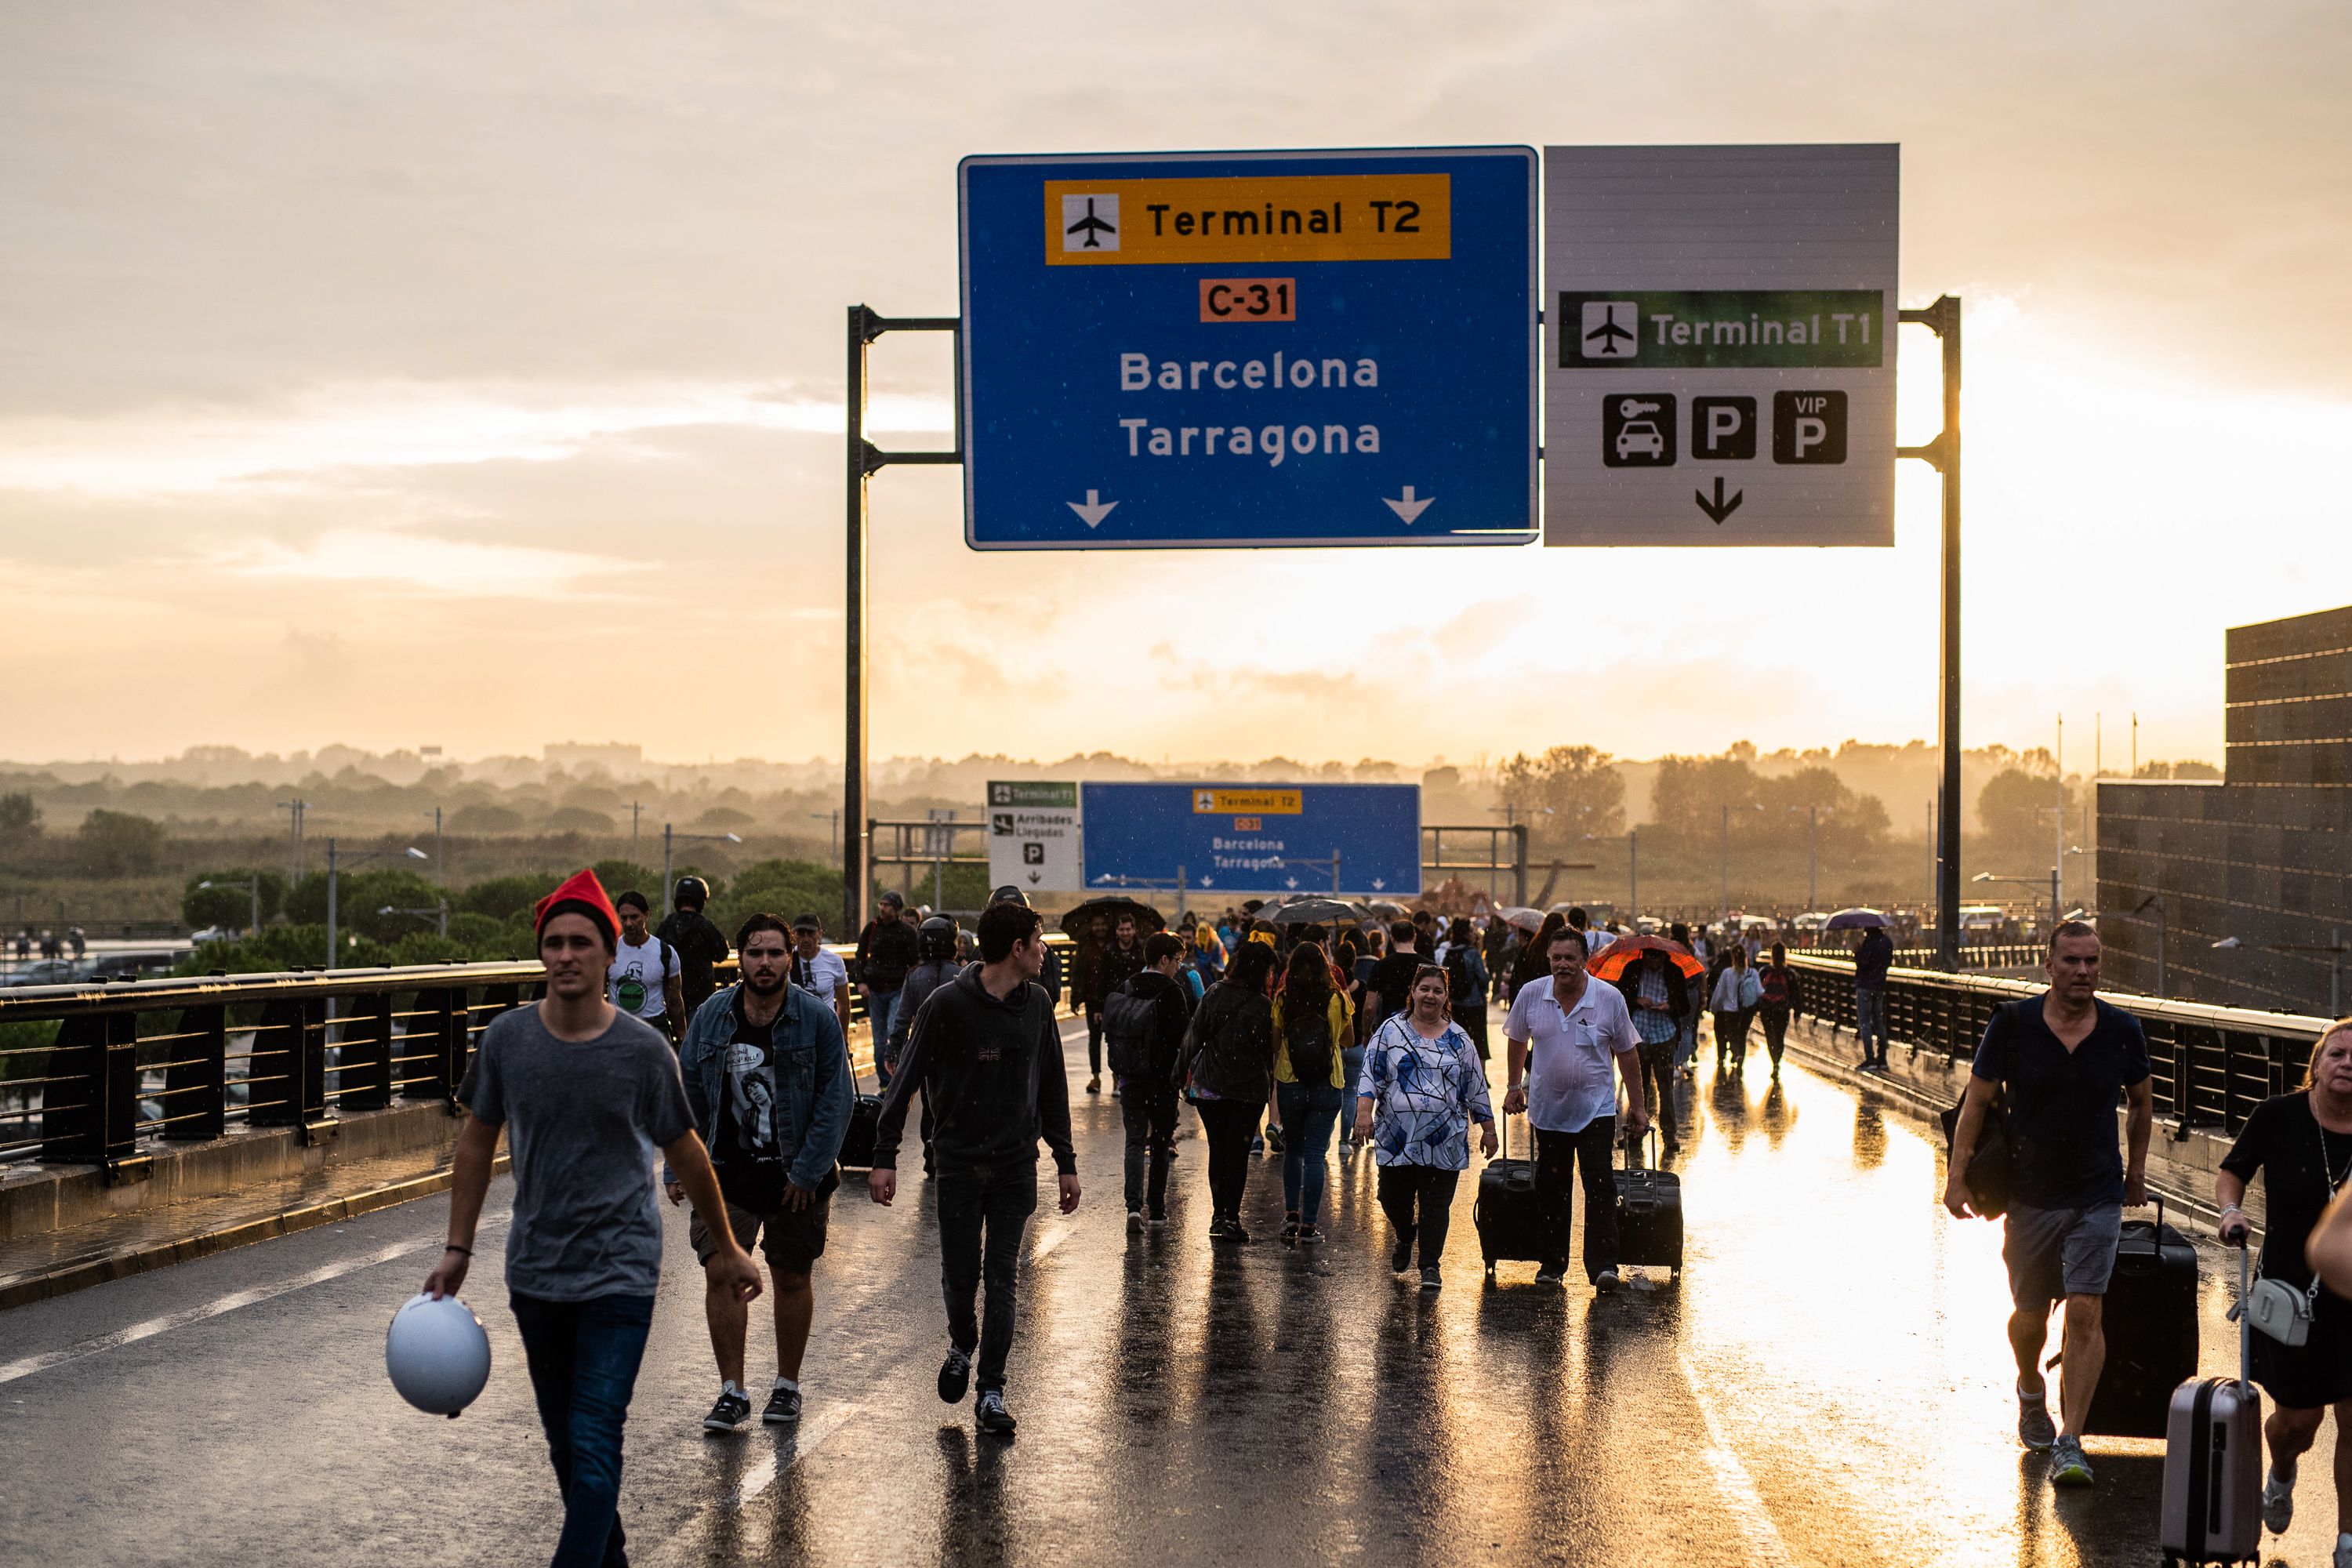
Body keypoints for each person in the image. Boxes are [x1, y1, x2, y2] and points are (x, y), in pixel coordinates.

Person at [425, 869, 760, 1567]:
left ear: (612, 955)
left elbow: (687, 1151)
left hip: (621, 1273)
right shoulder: (508, 1041)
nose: (567, 955)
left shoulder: (642, 1050)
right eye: (554, 943)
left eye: (582, 943)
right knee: (565, 1447)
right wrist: (458, 1248)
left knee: (597, 1434)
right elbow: (475, 1142)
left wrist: (726, 1246)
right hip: (537, 1273)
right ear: (541, 954)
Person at [1944, 922, 2154, 1489]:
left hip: (2097, 1193)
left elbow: (2140, 1103)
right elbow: (1977, 1103)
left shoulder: (2121, 1030)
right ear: (2049, 965)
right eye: (2072, 961)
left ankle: (2070, 1440)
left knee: (2086, 1310)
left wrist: (2134, 1172)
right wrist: (1955, 1176)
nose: (2083, 972)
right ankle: (2030, 1388)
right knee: (2030, 1316)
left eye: (2092, 961)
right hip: (2030, 1194)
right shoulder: (2012, 1027)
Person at [868, 899, 1078, 1436]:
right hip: (958, 1165)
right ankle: (962, 1341)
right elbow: (905, 1079)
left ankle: (991, 1390)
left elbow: (1052, 1086)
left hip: (1014, 1166)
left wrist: (1066, 1162)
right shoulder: (946, 1006)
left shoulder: (1038, 1006)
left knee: (1003, 1279)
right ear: (1017, 948)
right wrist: (885, 1156)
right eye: (1037, 939)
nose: (1044, 950)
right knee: (962, 1279)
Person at [665, 913, 851, 1433]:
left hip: (798, 1176)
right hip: (726, 1171)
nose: (764, 963)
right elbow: (688, 1097)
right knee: (721, 1273)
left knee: (792, 1276)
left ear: (791, 957)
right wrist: (678, 1167)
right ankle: (732, 1391)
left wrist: (810, 1171)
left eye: (775, 953)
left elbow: (837, 1100)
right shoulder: (711, 1017)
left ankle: (787, 1386)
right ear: (740, 958)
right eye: (755, 953)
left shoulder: (815, 1020)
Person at [2217, 1020, 2352, 1552]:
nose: (2348, 1064)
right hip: (2290, 1299)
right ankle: (2283, 1466)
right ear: (2317, 1065)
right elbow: (2234, 1172)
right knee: (2298, 1421)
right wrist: (2230, 1212)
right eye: (2337, 1054)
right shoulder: (2278, 1116)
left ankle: (2346, 1543)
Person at [1506, 927, 1648, 1294]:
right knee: (1552, 1188)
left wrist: (1638, 1106)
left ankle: (1603, 1266)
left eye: (1570, 958)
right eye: (1557, 958)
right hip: (1548, 1111)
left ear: (1585, 960)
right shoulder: (1531, 995)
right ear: (1548, 959)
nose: (1563, 965)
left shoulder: (1608, 998)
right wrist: (1511, 1088)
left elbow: (1628, 1053)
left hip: (1595, 1111)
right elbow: (1518, 1039)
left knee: (1600, 1185)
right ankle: (1552, 1264)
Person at [1356, 964, 1497, 1290]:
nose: (1430, 996)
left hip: (1444, 1138)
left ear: (1446, 997)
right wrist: (1364, 1114)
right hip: (1396, 1137)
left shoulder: (1460, 1039)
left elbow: (1475, 1087)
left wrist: (1489, 1130)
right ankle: (1406, 1234)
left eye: (1437, 991)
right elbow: (1370, 1075)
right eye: (1425, 989)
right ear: (1413, 992)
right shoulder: (1390, 1031)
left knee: (1436, 1205)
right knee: (1391, 1197)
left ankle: (1430, 1265)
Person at [1178, 938, 1277, 1242]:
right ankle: (1232, 1218)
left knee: (1218, 1150)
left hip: (1210, 1086)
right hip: (1246, 1091)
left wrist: (1178, 1075)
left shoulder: (1214, 993)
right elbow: (1269, 1052)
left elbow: (1194, 1036)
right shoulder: (1263, 1005)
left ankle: (1218, 1214)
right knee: (1238, 1153)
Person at [1110, 932, 1192, 1230]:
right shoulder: (1172, 991)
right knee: (1159, 1143)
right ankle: (1156, 1211)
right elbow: (1184, 1039)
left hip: (1130, 1077)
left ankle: (1133, 1209)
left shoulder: (1128, 985)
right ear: (1164, 960)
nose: (1178, 968)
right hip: (1162, 1079)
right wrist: (1181, 1077)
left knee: (1134, 1141)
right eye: (1177, 961)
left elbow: (1115, 1032)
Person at [1272, 941, 1352, 1244]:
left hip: (1290, 1080)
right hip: (1327, 1081)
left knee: (1293, 1150)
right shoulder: (1336, 998)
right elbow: (1348, 1039)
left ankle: (1291, 1214)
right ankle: (1309, 1225)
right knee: (1316, 1155)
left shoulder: (1283, 998)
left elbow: (1276, 1043)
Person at [1613, 944, 1690, 1156]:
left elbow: (1685, 1006)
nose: (1653, 963)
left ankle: (1669, 1136)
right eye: (1650, 959)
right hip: (1638, 1034)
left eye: (1657, 960)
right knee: (1638, 1088)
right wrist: (1637, 1001)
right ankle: (1634, 1135)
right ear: (1644, 955)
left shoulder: (1674, 972)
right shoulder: (1633, 969)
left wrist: (1670, 1006)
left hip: (1664, 1035)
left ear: (1664, 958)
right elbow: (1619, 997)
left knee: (1665, 1088)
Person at [608, 891, 684, 1044]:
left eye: (634, 917)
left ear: (646, 915)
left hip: (654, 1028)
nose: (628, 923)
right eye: (624, 918)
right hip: (618, 1027)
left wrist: (683, 1038)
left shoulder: (665, 952)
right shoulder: (608, 951)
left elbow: (674, 1000)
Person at [855, 891, 920, 1069]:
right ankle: (885, 1083)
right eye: (881, 904)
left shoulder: (906, 932)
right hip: (875, 991)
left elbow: (914, 962)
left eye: (887, 905)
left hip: (898, 989)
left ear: (896, 909)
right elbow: (860, 956)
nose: (883, 908)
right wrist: (860, 981)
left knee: (894, 1032)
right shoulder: (872, 928)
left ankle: (898, 1074)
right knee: (879, 1040)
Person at [1088, 914, 1148, 1096]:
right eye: (1122, 929)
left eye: (1128, 929)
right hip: (1115, 1003)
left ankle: (1130, 1077)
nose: (1125, 933)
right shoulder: (1110, 951)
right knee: (1115, 1042)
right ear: (1117, 931)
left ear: (1134, 930)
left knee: (1134, 1041)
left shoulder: (1142, 949)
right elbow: (1102, 979)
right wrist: (1099, 1007)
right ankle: (1117, 1079)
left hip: (1136, 1002)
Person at [655, 877, 731, 1016]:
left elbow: (655, 955)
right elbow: (721, 954)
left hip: (670, 996)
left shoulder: (667, 925)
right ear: (701, 900)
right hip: (701, 997)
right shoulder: (705, 926)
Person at [1362, 920, 1427, 1040]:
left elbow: (1369, 1007)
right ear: (1414, 937)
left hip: (1390, 1031)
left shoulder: (1381, 966)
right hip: (1421, 1031)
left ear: (1392, 938)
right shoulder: (1427, 966)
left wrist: (1366, 1033)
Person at [1440, 917, 1490, 1062]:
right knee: (1480, 1045)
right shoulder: (1473, 953)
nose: (1474, 933)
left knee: (1458, 1044)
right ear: (1466, 934)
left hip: (1455, 1004)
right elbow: (1483, 978)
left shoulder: (1449, 952)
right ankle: (1481, 1079)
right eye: (1471, 930)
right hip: (1475, 1004)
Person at [1708, 945, 1762, 1073]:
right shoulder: (1752, 973)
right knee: (1742, 1035)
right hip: (1747, 1009)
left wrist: (1713, 1008)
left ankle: (1736, 1054)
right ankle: (1740, 1059)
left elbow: (1719, 994)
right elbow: (1760, 991)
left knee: (1732, 1035)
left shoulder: (1727, 973)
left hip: (1730, 1010)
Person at [1755, 943, 1802, 1080]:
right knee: (1780, 1036)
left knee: (1770, 1035)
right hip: (1782, 1010)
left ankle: (1774, 1060)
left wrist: (1756, 1007)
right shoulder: (1789, 973)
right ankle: (1777, 1061)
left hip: (1767, 1009)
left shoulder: (1764, 971)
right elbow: (1796, 994)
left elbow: (1757, 990)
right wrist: (1798, 1012)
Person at [1853, 920, 1895, 1070]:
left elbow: (1863, 963)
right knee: (1878, 1021)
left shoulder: (1869, 943)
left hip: (1865, 986)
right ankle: (1882, 1058)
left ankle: (1870, 1059)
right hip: (1880, 986)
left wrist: (1857, 953)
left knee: (1865, 1023)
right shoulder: (1887, 942)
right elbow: (1887, 962)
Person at [1508, 912, 1566, 999]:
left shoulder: (1532, 947)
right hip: (1553, 996)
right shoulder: (1563, 949)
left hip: (1532, 994)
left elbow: (1517, 977)